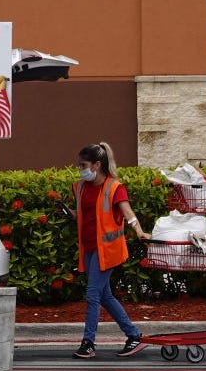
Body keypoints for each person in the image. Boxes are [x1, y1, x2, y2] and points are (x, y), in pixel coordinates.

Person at [63, 142, 151, 359]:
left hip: (108, 251)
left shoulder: (114, 187)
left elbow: (127, 211)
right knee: (105, 296)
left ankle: (88, 343)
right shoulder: (80, 186)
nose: (80, 169)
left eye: (83, 165)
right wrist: (69, 213)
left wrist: (139, 231)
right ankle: (133, 336)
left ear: (97, 165)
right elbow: (85, 214)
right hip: (90, 248)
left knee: (93, 294)